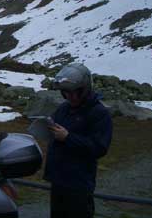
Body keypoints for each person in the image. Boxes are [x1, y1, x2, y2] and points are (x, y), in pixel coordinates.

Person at [44, 63, 112, 218]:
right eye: (66, 93)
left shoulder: (99, 113)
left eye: (76, 93)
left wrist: (68, 137)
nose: (71, 97)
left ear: (86, 89)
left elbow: (99, 147)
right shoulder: (64, 109)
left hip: (79, 184)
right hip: (58, 180)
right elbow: (56, 131)